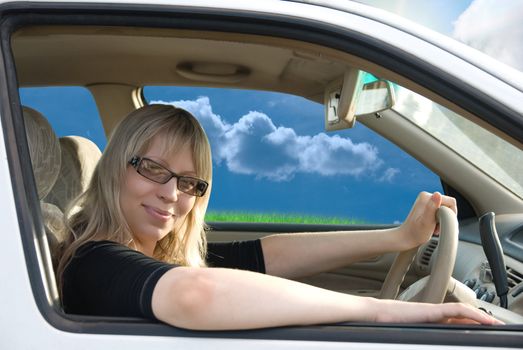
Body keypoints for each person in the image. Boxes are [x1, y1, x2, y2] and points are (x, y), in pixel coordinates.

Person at [57, 104, 501, 330]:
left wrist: (397, 237)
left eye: (190, 182)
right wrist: (383, 313)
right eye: (153, 169)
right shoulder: (94, 262)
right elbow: (195, 293)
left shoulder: (152, 251)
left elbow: (264, 257)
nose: (172, 194)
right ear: (116, 166)